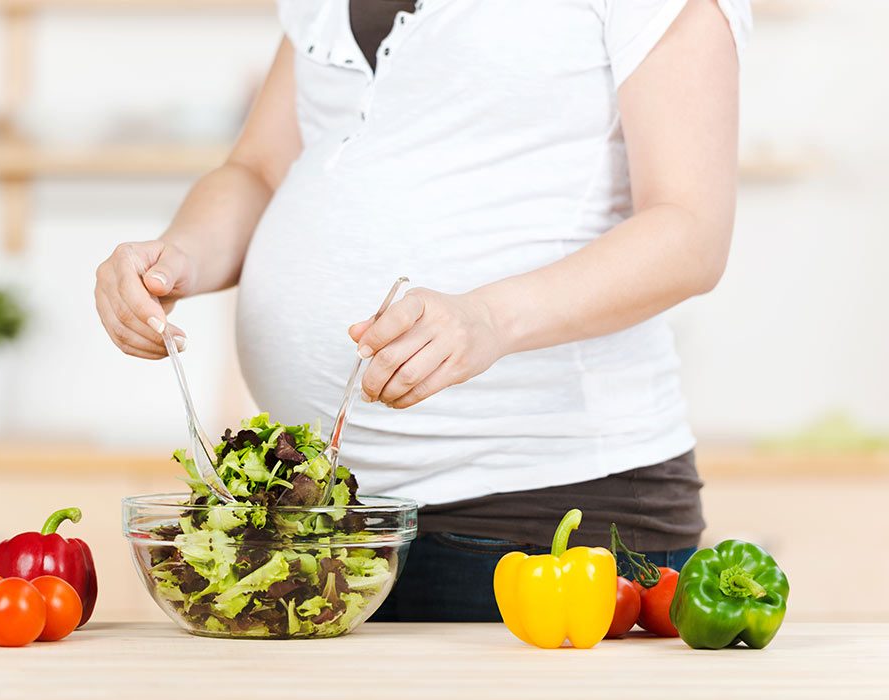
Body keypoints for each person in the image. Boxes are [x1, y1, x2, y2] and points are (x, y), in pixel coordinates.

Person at [94, 0, 751, 621]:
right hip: (326, 531)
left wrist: (489, 318)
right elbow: (260, 169)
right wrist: (177, 253)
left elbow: (689, 230)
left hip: (541, 523)